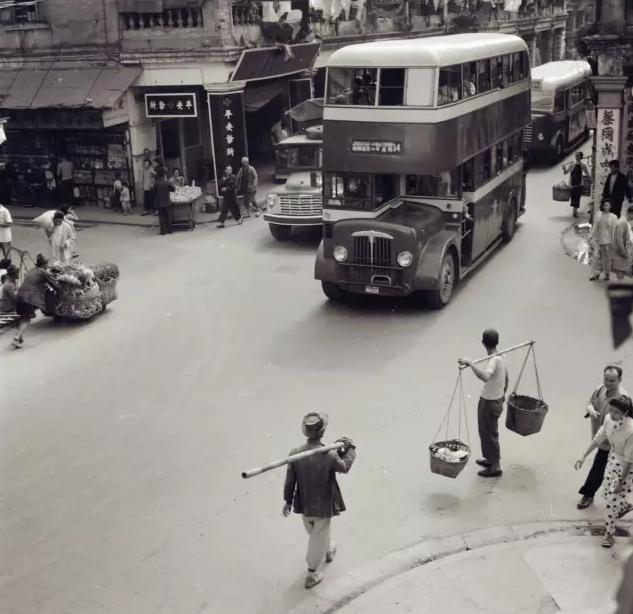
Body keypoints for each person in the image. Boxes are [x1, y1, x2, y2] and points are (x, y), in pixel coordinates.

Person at [282, 412, 356, 589]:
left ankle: (328, 548)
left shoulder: (295, 454)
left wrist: (288, 501)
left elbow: (290, 481)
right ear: (322, 433)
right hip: (323, 504)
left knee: (316, 532)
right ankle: (311, 573)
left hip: (305, 503)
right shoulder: (329, 455)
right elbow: (344, 466)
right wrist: (351, 448)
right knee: (317, 536)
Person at [575, 395, 633, 548]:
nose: (612, 414)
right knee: (607, 493)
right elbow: (598, 438)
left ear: (625, 413)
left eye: (616, 412)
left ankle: (609, 533)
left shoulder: (631, 430)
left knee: (611, 503)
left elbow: (629, 460)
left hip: (626, 469)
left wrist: (621, 481)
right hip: (612, 461)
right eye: (611, 410)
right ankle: (625, 505)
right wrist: (583, 456)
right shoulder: (608, 419)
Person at [458, 329, 509, 478]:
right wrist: (503, 393)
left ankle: (495, 466)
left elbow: (485, 377)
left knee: (489, 433)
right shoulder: (501, 355)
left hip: (490, 401)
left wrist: (470, 363)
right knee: (486, 431)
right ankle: (490, 458)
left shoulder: (494, 360)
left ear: (483, 343)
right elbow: (506, 376)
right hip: (495, 398)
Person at [577, 365, 628, 510]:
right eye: (606, 379)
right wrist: (590, 409)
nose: (608, 383)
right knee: (603, 468)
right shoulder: (600, 389)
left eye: (612, 380)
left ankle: (589, 494)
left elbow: (628, 423)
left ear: (619, 380)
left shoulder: (623, 399)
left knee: (601, 468)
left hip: (613, 443)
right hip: (600, 435)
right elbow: (590, 402)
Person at [12, 254, 61, 349]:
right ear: (44, 264)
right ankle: (16, 338)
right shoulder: (43, 272)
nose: (48, 264)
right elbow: (54, 283)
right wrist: (62, 291)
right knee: (26, 319)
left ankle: (19, 336)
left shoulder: (32, 270)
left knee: (23, 317)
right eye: (47, 263)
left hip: (20, 296)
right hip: (29, 298)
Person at [589, 200, 618, 281]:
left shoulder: (613, 217)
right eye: (605, 205)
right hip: (598, 239)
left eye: (608, 205)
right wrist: (590, 236)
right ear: (602, 205)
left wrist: (614, 242)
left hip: (608, 241)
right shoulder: (598, 215)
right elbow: (595, 227)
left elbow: (614, 231)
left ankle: (606, 273)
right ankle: (592, 274)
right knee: (595, 256)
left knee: (606, 258)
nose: (606, 207)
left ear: (610, 206)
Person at [565, 151, 591, 218]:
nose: (577, 157)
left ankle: (574, 211)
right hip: (572, 184)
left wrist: (591, 179)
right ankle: (574, 210)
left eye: (578, 156)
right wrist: (564, 169)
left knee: (577, 198)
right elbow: (566, 172)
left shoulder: (583, 165)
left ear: (581, 157)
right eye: (576, 155)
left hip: (579, 184)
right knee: (573, 198)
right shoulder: (572, 164)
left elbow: (587, 173)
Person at [612, 205, 633, 280]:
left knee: (622, 269)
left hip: (624, 251)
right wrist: (624, 253)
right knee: (620, 270)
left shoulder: (626, 222)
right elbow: (619, 240)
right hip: (621, 252)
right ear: (630, 213)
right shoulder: (622, 223)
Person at [153, 167, 175, 236]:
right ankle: (170, 230)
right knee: (168, 216)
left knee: (161, 217)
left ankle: (163, 231)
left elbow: (153, 192)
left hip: (159, 202)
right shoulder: (167, 182)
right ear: (164, 175)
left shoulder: (156, 183)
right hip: (167, 201)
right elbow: (173, 189)